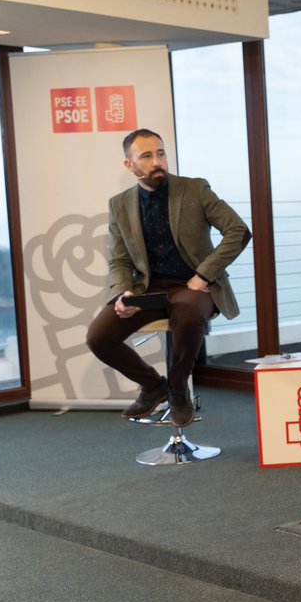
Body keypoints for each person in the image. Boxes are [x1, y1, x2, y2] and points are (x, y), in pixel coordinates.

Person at [86, 128, 251, 428]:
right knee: (98, 337)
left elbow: (238, 231)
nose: (157, 161)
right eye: (146, 156)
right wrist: (123, 292)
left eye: (160, 153)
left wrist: (203, 274)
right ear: (129, 165)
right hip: (147, 290)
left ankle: (178, 389)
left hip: (193, 287)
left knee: (187, 313)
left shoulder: (195, 190)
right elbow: (120, 259)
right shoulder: (119, 204)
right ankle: (153, 386)